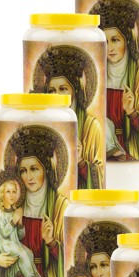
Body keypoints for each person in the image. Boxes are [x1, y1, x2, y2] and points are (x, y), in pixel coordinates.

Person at [0, 125, 69, 277]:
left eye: (34, 169)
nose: (28, 177)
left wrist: (51, 242)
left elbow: (70, 260)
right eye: (23, 171)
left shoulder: (61, 206)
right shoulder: (14, 205)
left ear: (46, 169)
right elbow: (2, 238)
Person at [89, 0, 139, 161]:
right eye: (104, 42)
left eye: (115, 40)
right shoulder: (96, 77)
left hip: (130, 153)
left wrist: (132, 113)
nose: (109, 48)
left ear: (127, 40)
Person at [33, 44, 105, 189]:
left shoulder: (91, 126)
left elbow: (99, 173)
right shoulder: (42, 123)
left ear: (75, 90)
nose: (57, 95)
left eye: (63, 89)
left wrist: (81, 161)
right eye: (52, 90)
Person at [0, 170, 43, 277]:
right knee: (22, 253)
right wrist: (13, 220)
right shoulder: (1, 213)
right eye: (8, 192)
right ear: (2, 194)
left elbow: (20, 236)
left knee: (29, 253)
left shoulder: (14, 212)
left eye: (14, 192)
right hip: (5, 244)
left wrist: (20, 223)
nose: (12, 195)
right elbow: (5, 233)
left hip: (14, 243)